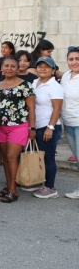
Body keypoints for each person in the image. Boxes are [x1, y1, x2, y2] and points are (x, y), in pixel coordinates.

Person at [0, 56, 35, 204]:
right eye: (6, 66)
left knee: (11, 157)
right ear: (1, 68)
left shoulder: (25, 85)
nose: (9, 68)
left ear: (17, 68)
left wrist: (32, 128)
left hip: (18, 126)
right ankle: (9, 186)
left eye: (13, 66)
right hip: (0, 127)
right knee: (6, 158)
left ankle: (13, 190)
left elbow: (31, 107)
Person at [30, 57, 63, 199]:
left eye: (47, 66)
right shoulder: (34, 82)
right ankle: (41, 182)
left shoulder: (55, 86)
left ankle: (50, 188)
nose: (42, 69)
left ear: (53, 70)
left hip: (48, 127)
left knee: (48, 158)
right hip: (37, 126)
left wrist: (50, 127)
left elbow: (57, 109)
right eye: (40, 66)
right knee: (40, 158)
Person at [60, 46, 79, 199]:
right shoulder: (66, 76)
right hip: (68, 123)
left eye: (77, 59)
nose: (74, 62)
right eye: (71, 59)